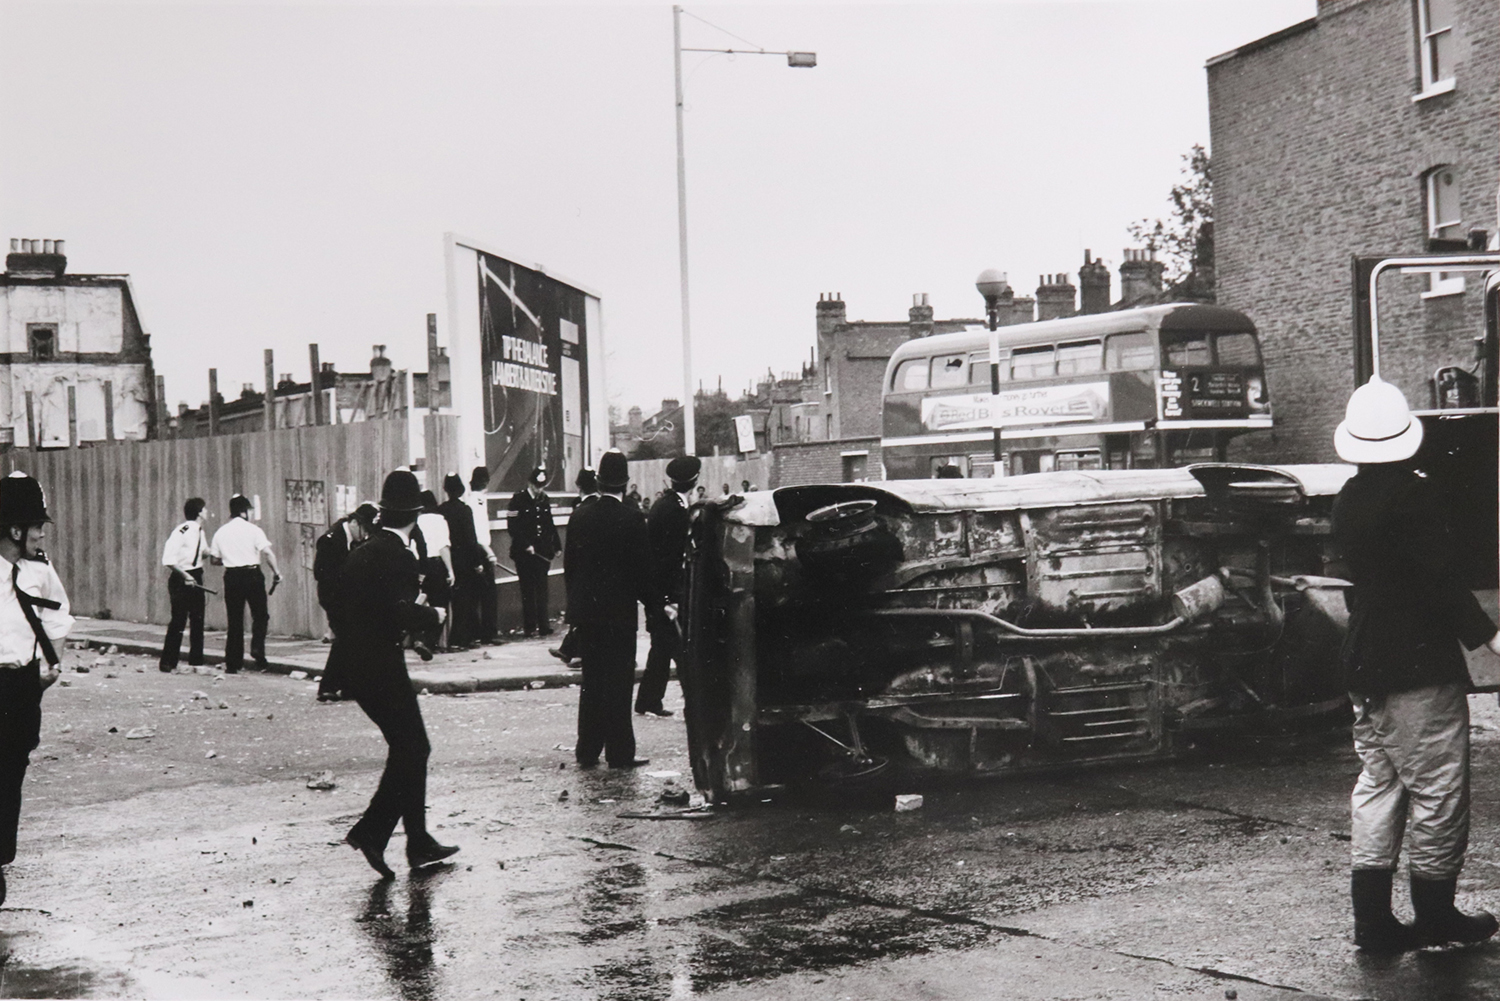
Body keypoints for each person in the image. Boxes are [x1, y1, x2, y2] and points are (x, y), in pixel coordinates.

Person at [1333, 376, 1500, 952]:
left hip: (1364, 659)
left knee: (1379, 784)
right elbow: (1439, 581)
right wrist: (1489, 635)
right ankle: (1436, 915)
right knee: (1438, 789)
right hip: (1417, 666)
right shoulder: (1416, 497)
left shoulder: (1348, 498)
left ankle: (1373, 921)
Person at [339, 469, 457, 877]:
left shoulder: (363, 550)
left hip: (355, 664)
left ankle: (414, 839)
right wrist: (433, 615)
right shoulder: (399, 555)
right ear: (416, 514)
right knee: (414, 747)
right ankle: (376, 833)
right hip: (381, 665)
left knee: (408, 748)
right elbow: (399, 611)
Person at [0, 472, 72, 906]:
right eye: (37, 526)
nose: (42, 534)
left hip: (22, 685)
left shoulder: (39, 570)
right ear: (15, 530)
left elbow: (58, 614)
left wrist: (52, 662)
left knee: (11, 772)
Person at [566, 450, 662, 768]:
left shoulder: (579, 516)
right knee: (619, 683)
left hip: (589, 615)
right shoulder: (632, 519)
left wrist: (575, 611)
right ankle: (620, 753)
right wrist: (656, 607)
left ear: (598, 481)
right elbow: (643, 572)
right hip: (620, 615)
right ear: (625, 482)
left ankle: (587, 749)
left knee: (592, 681)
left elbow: (571, 568)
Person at [637, 455, 699, 718]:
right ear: (694, 481)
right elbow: (670, 558)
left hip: (659, 593)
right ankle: (695, 705)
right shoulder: (675, 511)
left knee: (662, 649)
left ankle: (648, 700)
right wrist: (670, 599)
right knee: (682, 651)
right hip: (668, 595)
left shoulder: (664, 505)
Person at [208, 494, 280, 673]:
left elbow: (214, 560)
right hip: (252, 574)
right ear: (244, 512)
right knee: (260, 615)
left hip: (232, 576)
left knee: (235, 620)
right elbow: (268, 553)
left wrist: (230, 559)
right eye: (249, 510)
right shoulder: (254, 530)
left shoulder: (221, 532)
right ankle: (257, 650)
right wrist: (277, 572)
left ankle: (233, 663)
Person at [314, 502, 378, 701]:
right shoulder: (331, 540)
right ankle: (329, 686)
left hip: (351, 597)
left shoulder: (358, 541)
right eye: (364, 529)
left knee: (352, 638)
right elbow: (321, 573)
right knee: (345, 637)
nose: (365, 535)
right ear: (355, 522)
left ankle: (347, 686)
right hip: (333, 596)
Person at [549, 467, 598, 669]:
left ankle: (576, 652)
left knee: (581, 614)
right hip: (598, 571)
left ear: (579, 486)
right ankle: (569, 649)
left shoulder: (579, 511)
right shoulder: (601, 507)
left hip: (581, 571)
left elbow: (571, 551)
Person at [507, 466, 561, 638]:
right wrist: (525, 545)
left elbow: (549, 524)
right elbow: (513, 527)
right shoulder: (518, 499)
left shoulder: (544, 499)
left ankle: (544, 625)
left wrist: (557, 545)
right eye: (537, 486)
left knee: (542, 588)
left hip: (541, 552)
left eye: (542, 486)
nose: (539, 490)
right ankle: (530, 626)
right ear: (530, 484)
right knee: (528, 590)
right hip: (524, 554)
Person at [159, 497, 208, 672]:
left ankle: (196, 660)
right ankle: (168, 662)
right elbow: (168, 559)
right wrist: (185, 575)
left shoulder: (200, 531)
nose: (207, 512)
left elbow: (202, 553)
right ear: (199, 512)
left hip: (196, 574)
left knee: (198, 619)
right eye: (204, 509)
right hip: (182, 576)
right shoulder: (183, 530)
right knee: (179, 620)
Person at [414, 491, 454, 653]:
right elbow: (443, 547)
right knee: (440, 604)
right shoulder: (440, 520)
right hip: (435, 564)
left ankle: (417, 637)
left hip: (417, 564)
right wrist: (450, 570)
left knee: (419, 602)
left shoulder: (415, 520)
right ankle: (430, 642)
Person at [465, 466, 501, 644]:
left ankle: (478, 633)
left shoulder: (473, 500)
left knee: (477, 594)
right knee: (488, 594)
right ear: (486, 482)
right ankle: (488, 633)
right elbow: (478, 532)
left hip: (476, 549)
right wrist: (489, 552)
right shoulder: (477, 501)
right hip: (482, 549)